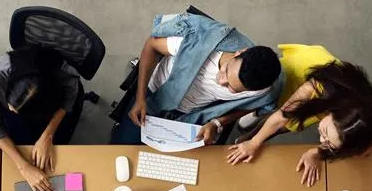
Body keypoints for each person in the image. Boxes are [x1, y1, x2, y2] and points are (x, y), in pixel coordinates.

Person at [112, 12, 284, 145]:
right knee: (123, 149)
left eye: (232, 89)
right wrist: (140, 97)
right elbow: (152, 45)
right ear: (241, 52)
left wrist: (217, 122)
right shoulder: (197, 39)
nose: (221, 82)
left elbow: (250, 105)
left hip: (189, 117)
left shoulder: (266, 88)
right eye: (225, 71)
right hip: (154, 96)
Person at [227, 45, 372, 186]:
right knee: (278, 109)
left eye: (329, 143)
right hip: (300, 75)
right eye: (325, 133)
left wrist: (315, 152)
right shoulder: (318, 87)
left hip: (326, 103)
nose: (321, 140)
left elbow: (348, 144)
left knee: (292, 123)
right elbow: (281, 118)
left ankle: (256, 123)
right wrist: (254, 143)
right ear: (333, 113)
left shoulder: (369, 126)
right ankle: (257, 115)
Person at [0, 45, 81, 191]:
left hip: (49, 110)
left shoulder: (65, 74)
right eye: (11, 104)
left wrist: (47, 135)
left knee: (60, 163)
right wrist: (23, 166)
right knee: (22, 160)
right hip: (19, 119)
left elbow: (68, 101)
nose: (11, 108)